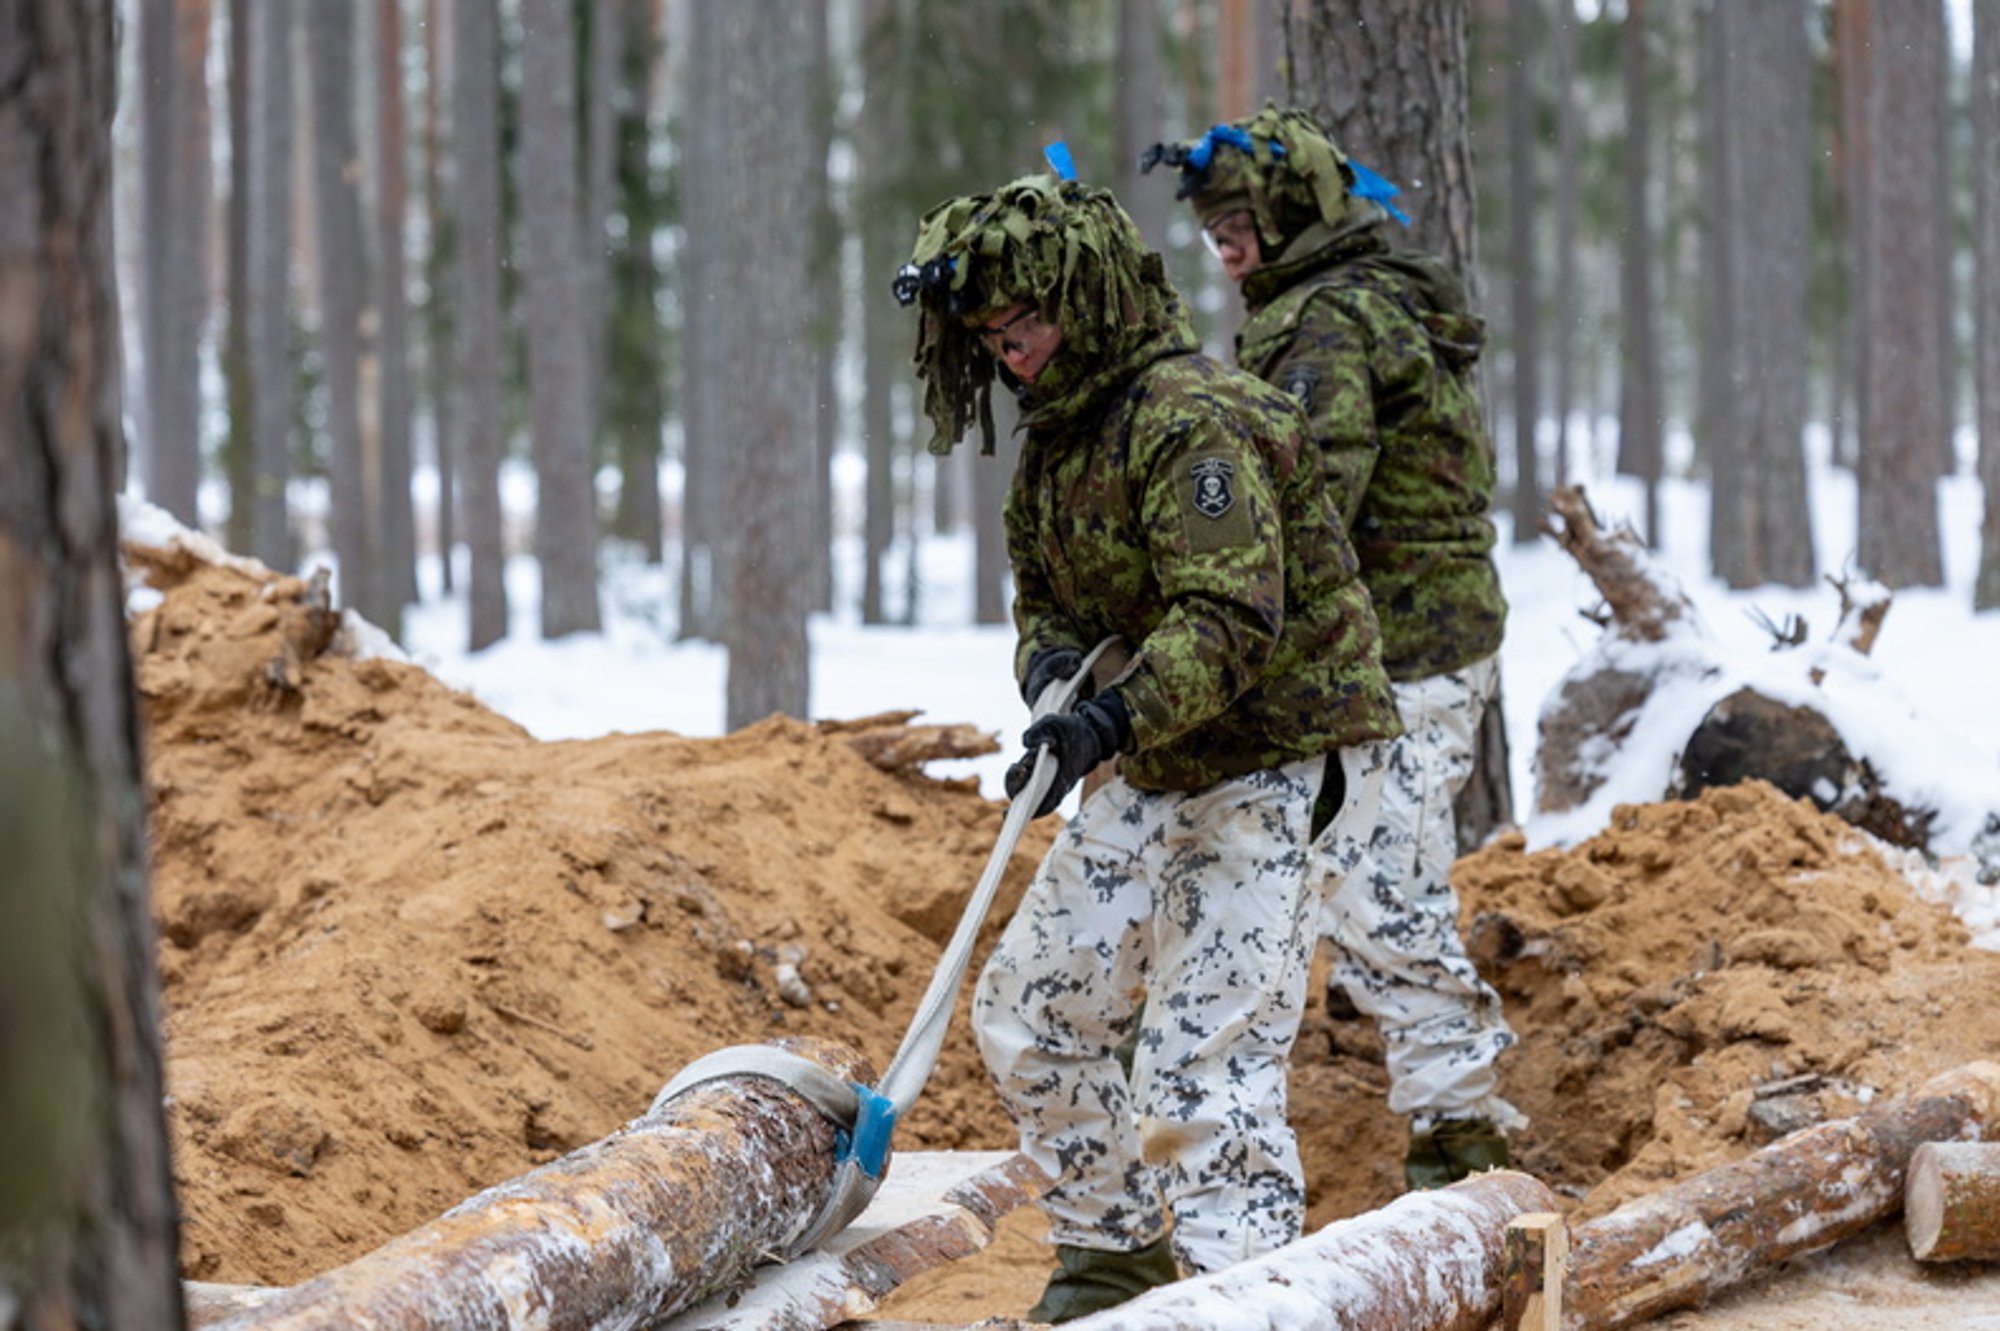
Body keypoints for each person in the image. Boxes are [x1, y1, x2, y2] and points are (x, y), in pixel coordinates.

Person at [893, 169, 1402, 1321]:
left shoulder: (1192, 420)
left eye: (1026, 324)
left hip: (1274, 757)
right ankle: (1109, 1259)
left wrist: (1104, 722)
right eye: (992, 337)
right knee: (1031, 1010)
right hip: (1161, 754)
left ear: (1084, 294)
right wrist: (1048, 691)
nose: (1012, 353)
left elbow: (1228, 620)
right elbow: (1054, 606)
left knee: (1200, 1065)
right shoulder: (1059, 446)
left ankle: (1242, 1299)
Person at [1144, 105, 1521, 1190]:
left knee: (1372, 873)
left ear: (1288, 211)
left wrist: (1220, 606)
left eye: (1238, 222)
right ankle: (1443, 1112)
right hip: (1414, 639)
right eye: (1210, 226)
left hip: (1402, 647)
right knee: (1361, 866)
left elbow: (1309, 498)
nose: (1222, 244)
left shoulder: (1321, 322)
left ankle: (1459, 1132)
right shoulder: (1353, 295)